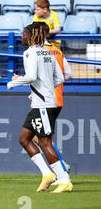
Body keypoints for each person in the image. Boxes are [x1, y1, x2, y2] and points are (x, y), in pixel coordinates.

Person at [7, 23, 72, 193]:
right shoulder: (48, 52)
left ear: (31, 36)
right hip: (43, 102)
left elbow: (31, 76)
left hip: (42, 105)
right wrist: (46, 89)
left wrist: (13, 82)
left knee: (45, 142)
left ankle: (64, 180)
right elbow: (59, 77)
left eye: (24, 33)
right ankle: (46, 174)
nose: (22, 36)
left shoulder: (29, 52)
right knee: (24, 138)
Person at [26, 23, 72, 179]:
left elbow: (34, 77)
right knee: (33, 137)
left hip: (45, 101)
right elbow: (68, 74)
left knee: (44, 140)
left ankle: (62, 171)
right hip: (57, 98)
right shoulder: (57, 51)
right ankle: (58, 169)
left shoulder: (37, 52)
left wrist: (42, 86)